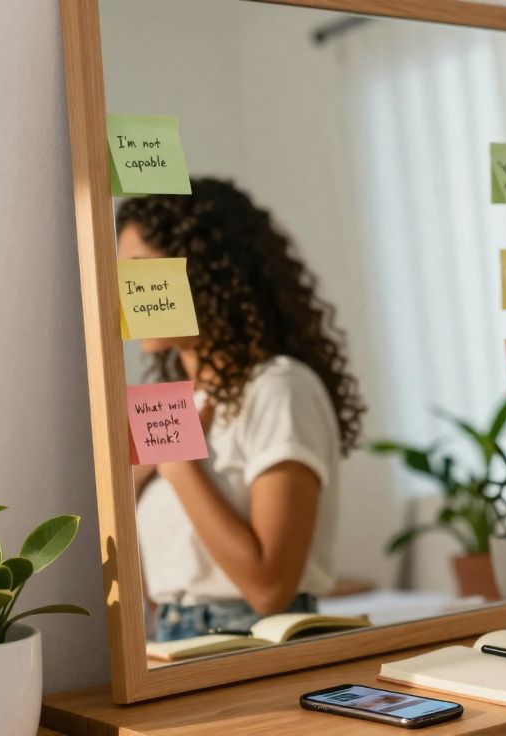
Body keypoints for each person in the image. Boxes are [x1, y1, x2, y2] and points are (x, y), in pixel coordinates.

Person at [117, 177, 366, 642]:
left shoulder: (279, 388)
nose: (126, 292)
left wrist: (179, 468)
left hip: (252, 642)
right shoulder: (174, 402)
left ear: (203, 274)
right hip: (169, 637)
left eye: (138, 270)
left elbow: (270, 588)